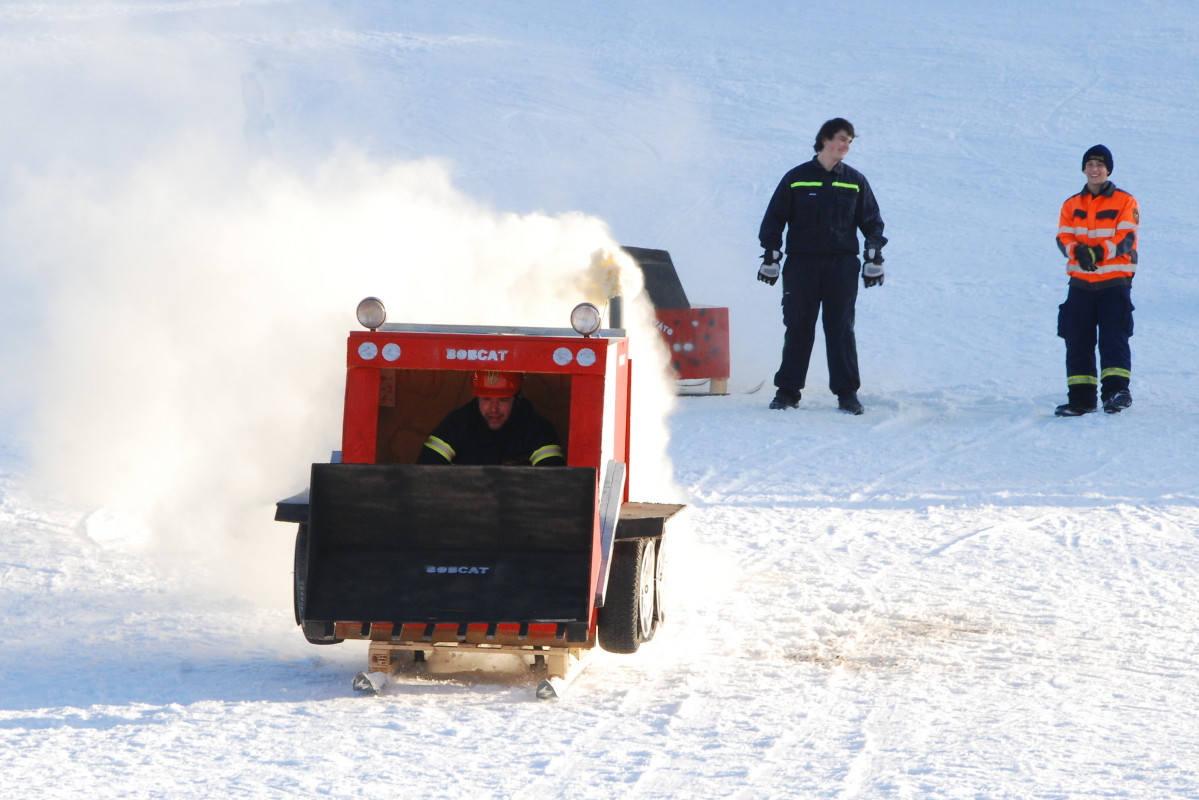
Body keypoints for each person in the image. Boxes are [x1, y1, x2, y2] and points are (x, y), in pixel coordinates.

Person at [757, 117, 888, 415]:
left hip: (841, 266)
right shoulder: (797, 178)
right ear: (825, 139)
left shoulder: (854, 181)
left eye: (850, 142)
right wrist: (770, 257)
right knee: (798, 325)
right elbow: (774, 219)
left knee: (841, 327)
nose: (846, 146)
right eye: (842, 139)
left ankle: (846, 393)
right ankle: (788, 391)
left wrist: (874, 256)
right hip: (802, 265)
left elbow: (872, 222)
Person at [1053, 144, 1139, 416]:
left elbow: (1125, 239)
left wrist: (1095, 252)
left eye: (1100, 165)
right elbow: (1063, 237)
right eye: (1090, 164)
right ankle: (1081, 399)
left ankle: (1115, 393)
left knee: (1114, 338)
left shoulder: (1125, 201)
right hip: (1080, 284)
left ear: (1108, 170)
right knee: (1077, 339)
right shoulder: (1071, 204)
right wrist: (1076, 251)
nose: (1095, 169)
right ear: (1083, 169)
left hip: (1114, 283)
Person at [416, 370, 566, 465]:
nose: (494, 409)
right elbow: (424, 473)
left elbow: (552, 484)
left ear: (517, 399)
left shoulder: (537, 429)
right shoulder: (458, 424)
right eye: (486, 399)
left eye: (503, 400)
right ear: (477, 398)